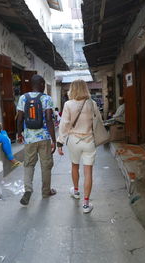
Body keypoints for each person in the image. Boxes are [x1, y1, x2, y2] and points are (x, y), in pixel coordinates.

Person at [57, 79, 101, 214]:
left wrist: (60, 142)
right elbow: (99, 121)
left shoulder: (68, 104)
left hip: (74, 141)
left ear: (72, 89)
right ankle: (86, 204)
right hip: (89, 140)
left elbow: (64, 124)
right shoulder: (92, 103)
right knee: (88, 172)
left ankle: (76, 191)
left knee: (74, 165)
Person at [17, 75, 57, 205]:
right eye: (44, 83)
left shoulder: (23, 98)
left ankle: (28, 190)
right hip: (44, 138)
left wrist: (19, 134)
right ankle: (46, 191)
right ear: (40, 84)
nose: (44, 85)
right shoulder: (46, 98)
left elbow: (19, 118)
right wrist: (54, 140)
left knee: (29, 164)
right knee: (46, 165)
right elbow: (49, 119)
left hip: (29, 138)